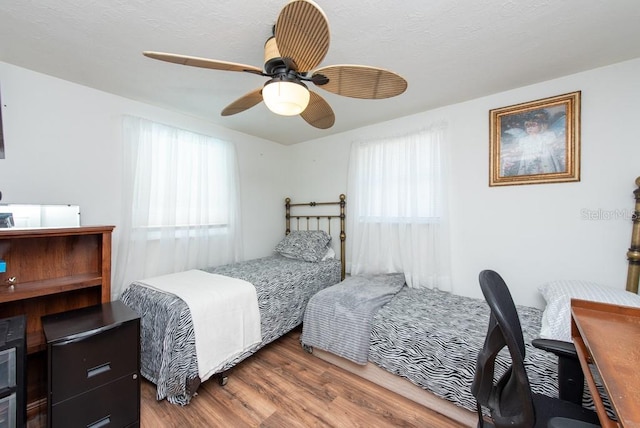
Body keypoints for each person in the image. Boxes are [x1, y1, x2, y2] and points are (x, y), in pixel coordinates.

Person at [512, 109, 565, 176]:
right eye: (527, 126)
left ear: (541, 125)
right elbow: (521, 149)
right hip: (529, 159)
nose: (529, 128)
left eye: (533, 125)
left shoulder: (546, 136)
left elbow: (551, 142)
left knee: (546, 168)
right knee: (531, 170)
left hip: (544, 158)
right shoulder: (524, 140)